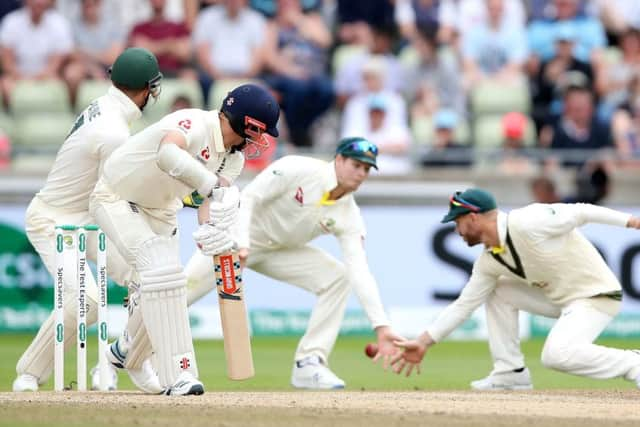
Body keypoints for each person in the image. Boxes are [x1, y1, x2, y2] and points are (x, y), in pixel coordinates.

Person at [89, 83, 280, 395]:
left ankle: (126, 355)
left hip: (162, 210)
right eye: (261, 131)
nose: (262, 140)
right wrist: (211, 187)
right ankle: (179, 374)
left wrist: (214, 230)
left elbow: (209, 205)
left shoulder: (233, 159)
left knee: (171, 284)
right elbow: (168, 153)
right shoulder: (193, 122)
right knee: (159, 273)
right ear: (247, 123)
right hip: (116, 197)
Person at [182, 137, 402, 389]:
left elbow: (359, 270)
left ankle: (309, 363)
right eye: (356, 165)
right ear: (339, 159)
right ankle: (134, 347)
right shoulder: (298, 168)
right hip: (234, 238)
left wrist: (381, 326)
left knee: (338, 278)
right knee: (182, 293)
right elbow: (250, 197)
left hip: (280, 251)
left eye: (366, 169)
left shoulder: (349, 214)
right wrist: (241, 242)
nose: (361, 173)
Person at [12, 47, 163, 392]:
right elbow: (117, 195)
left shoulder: (104, 106)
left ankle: (126, 358)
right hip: (54, 220)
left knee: (149, 274)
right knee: (88, 302)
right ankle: (30, 373)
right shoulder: (113, 132)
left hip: (86, 215)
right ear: (144, 90)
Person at [390, 188, 640, 390]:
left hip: (595, 295)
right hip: (561, 299)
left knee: (555, 355)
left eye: (457, 222)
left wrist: (630, 221)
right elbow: (463, 305)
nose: (457, 231)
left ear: (473, 217)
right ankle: (510, 372)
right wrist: (423, 342)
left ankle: (633, 364)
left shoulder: (527, 221)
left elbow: (582, 212)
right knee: (498, 290)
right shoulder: (489, 261)